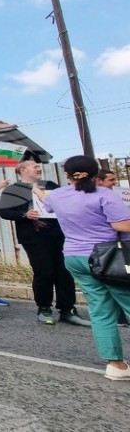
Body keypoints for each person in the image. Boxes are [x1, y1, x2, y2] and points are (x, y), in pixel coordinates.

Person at [41, 156, 130, 380]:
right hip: (108, 256)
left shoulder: (58, 195)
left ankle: (115, 365)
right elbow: (122, 224)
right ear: (95, 173)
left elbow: (47, 201)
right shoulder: (104, 195)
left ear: (67, 174)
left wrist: (37, 190)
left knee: (100, 309)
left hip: (74, 256)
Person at [0, 160, 90, 326]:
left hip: (59, 234)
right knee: (44, 272)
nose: (39, 168)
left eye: (39, 166)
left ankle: (68, 310)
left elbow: (64, 204)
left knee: (64, 272)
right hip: (34, 238)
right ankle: (44, 308)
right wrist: (24, 214)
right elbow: (4, 212)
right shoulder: (12, 190)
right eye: (35, 166)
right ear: (24, 170)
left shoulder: (50, 185)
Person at [94, 170, 128, 327]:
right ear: (99, 181)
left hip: (123, 243)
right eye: (111, 180)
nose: (115, 182)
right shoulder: (101, 198)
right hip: (113, 247)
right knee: (118, 281)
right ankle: (120, 316)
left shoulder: (115, 195)